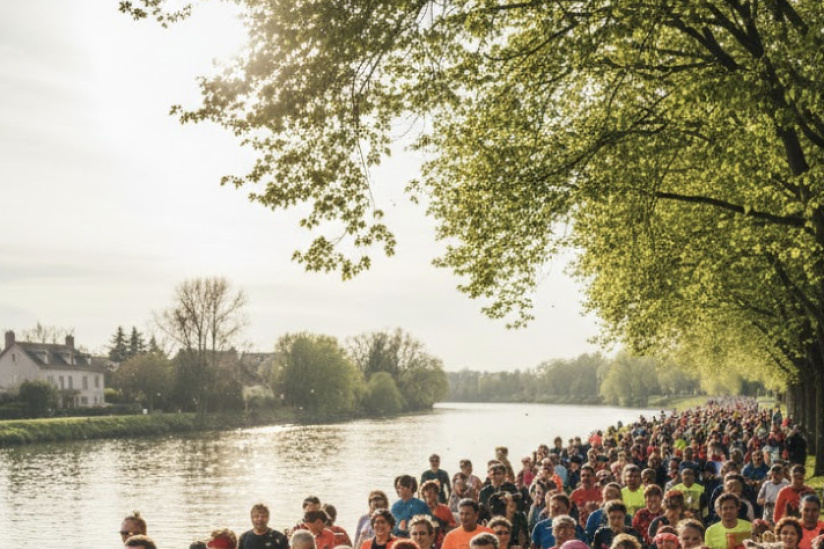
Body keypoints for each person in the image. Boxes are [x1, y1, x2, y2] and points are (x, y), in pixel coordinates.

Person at [422, 480, 457, 545]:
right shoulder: (420, 509)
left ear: (436, 494)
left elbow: (453, 526)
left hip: (442, 541)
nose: (429, 493)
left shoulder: (445, 509)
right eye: (426, 491)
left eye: (431, 491)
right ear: (423, 494)